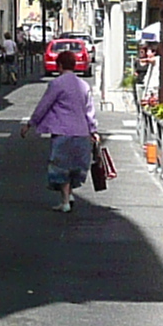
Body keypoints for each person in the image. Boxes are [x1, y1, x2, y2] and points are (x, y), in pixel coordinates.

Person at [26, 60, 97, 213]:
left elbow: (44, 105)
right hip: (81, 131)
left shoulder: (57, 84)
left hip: (62, 130)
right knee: (75, 165)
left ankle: (65, 201)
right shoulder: (83, 85)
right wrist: (93, 130)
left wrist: (31, 123)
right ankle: (69, 195)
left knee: (61, 166)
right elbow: (89, 110)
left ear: (60, 66)